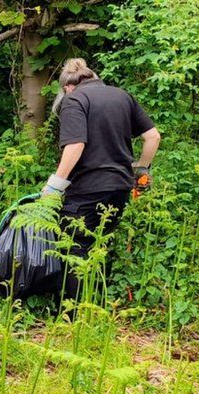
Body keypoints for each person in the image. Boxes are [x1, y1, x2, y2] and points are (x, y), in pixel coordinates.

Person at [43, 58, 161, 300]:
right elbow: (153, 137)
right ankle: (97, 306)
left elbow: (75, 145)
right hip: (120, 186)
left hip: (87, 188)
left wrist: (54, 186)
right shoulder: (122, 96)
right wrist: (141, 168)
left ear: (67, 87)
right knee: (99, 245)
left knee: (74, 246)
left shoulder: (74, 100)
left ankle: (75, 317)